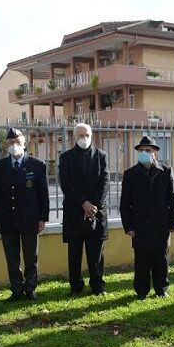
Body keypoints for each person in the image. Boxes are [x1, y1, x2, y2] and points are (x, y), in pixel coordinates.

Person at [119, 136, 174, 299]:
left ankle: (161, 288)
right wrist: (129, 226)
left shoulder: (166, 172)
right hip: (139, 225)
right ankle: (141, 290)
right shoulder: (130, 174)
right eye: (141, 151)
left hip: (161, 223)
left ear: (155, 153)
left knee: (161, 258)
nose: (144, 153)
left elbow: (173, 199)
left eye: (148, 150)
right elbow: (125, 203)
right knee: (142, 260)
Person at [0, 128, 49, 301]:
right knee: (12, 257)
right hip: (7, 219)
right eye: (10, 143)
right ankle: (16, 288)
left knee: (31, 256)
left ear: (24, 144)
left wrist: (43, 217)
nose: (14, 146)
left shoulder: (37, 165)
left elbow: (43, 194)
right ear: (6, 146)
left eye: (17, 142)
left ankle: (30, 288)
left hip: (30, 219)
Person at [59, 123, 108, 296]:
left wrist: (93, 205)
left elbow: (105, 182)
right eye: (80, 135)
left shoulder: (101, 156)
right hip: (74, 212)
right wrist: (83, 203)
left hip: (96, 212)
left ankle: (98, 286)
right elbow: (66, 184)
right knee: (74, 253)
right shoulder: (65, 157)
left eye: (87, 135)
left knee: (97, 253)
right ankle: (75, 286)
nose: (84, 138)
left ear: (92, 135)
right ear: (74, 137)